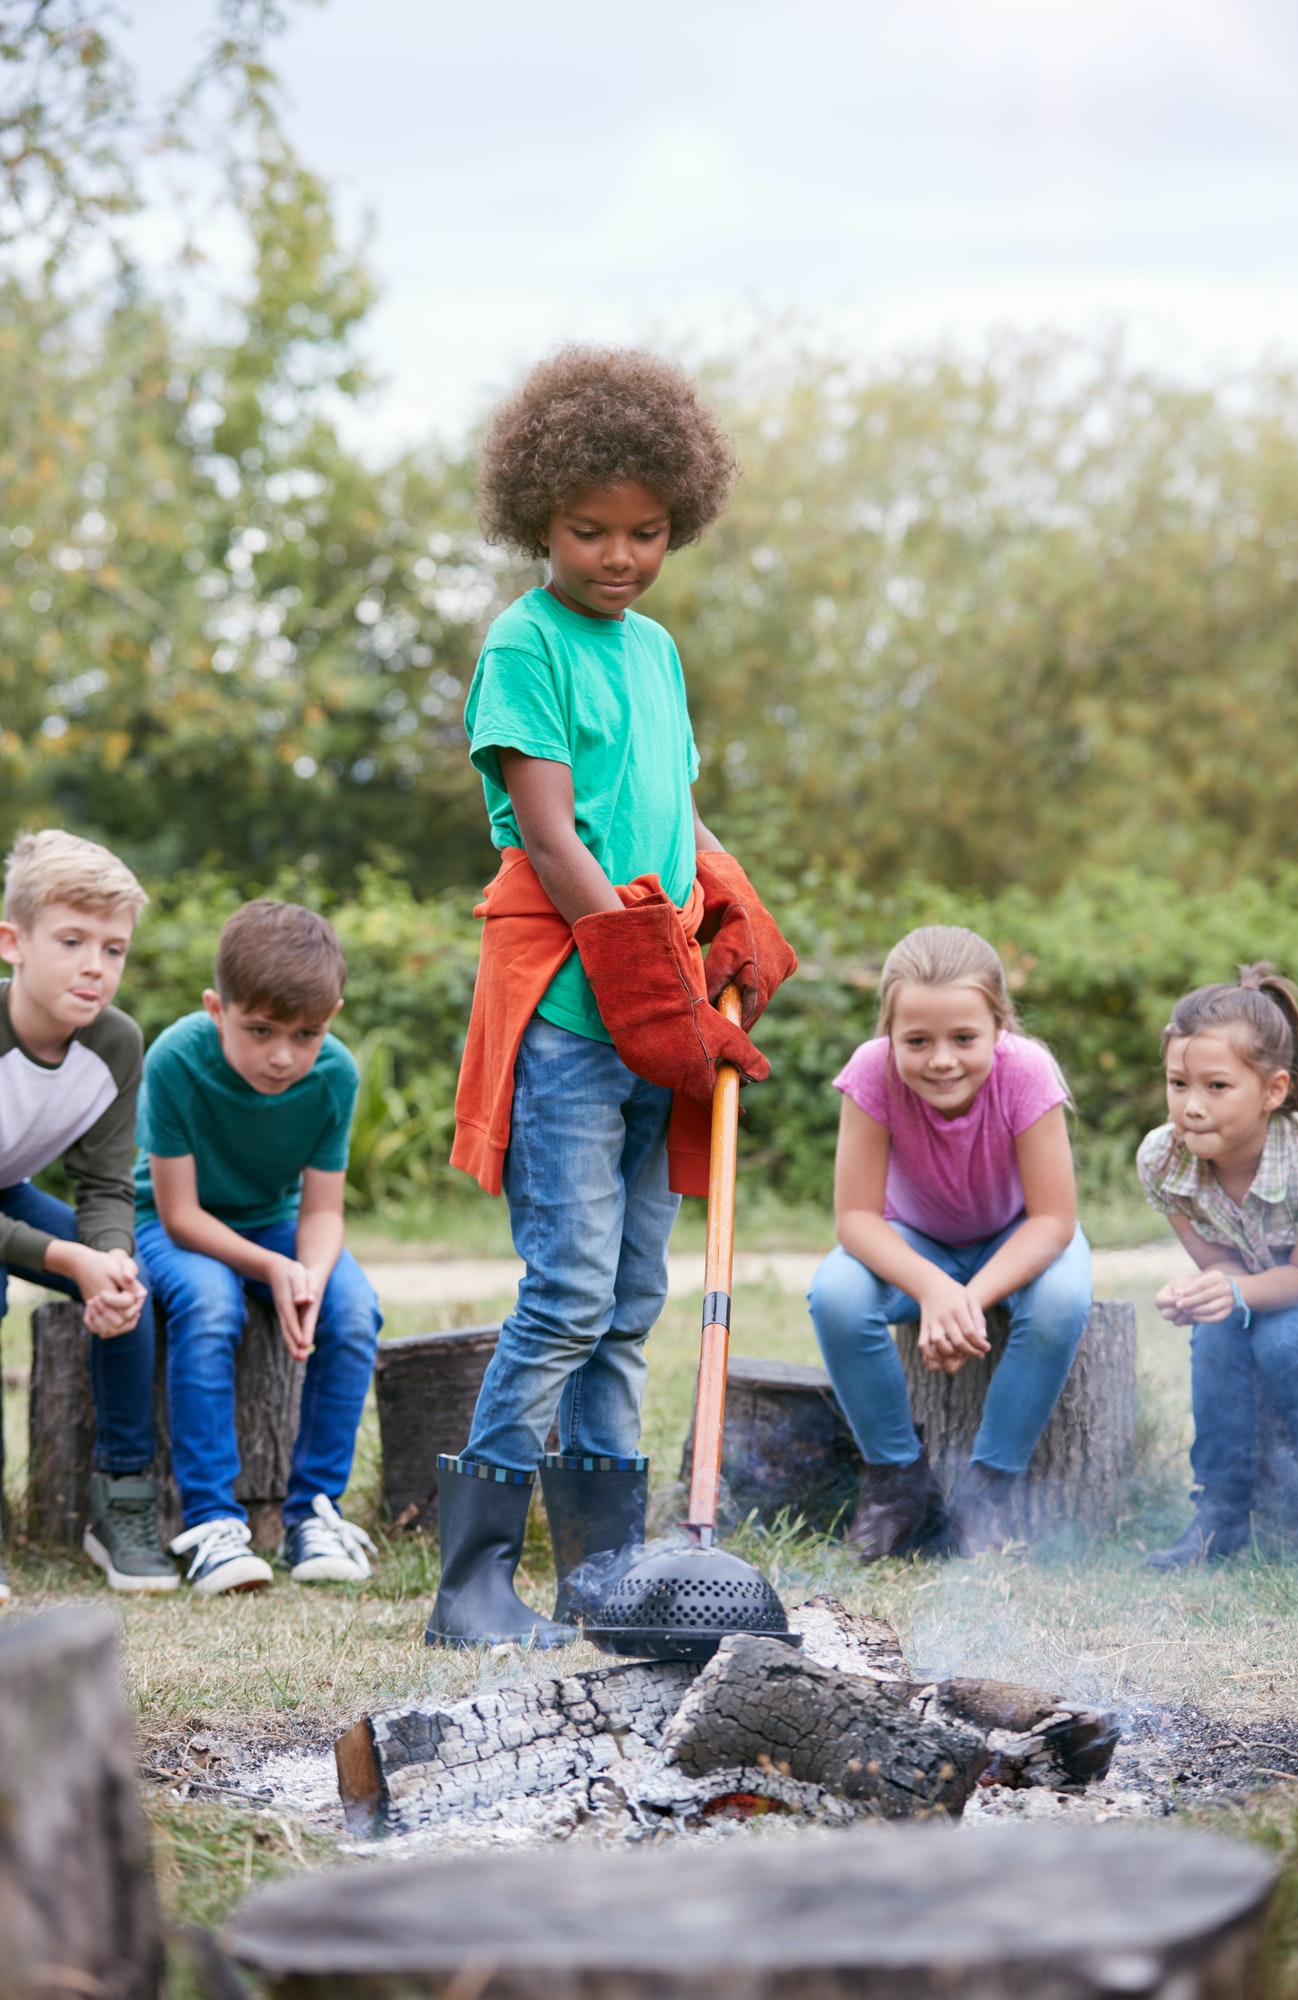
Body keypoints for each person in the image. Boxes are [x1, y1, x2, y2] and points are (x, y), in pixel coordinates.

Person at [428, 345, 797, 1648]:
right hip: (577, 1020)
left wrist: (725, 895)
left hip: (660, 1015)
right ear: (536, 514)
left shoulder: (655, 650)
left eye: (646, 532)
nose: (620, 556)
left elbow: (671, 805)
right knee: (568, 1292)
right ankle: (471, 1584)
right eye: (590, 531)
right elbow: (549, 834)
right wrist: (641, 977)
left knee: (633, 1301)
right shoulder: (524, 645)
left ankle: (607, 1578)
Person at [807, 925, 1091, 1558]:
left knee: (1061, 1301)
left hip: (1019, 1236)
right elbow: (855, 1217)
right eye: (917, 1041)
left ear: (999, 1027)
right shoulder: (871, 1074)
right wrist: (934, 1287)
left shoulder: (1028, 1073)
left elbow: (1052, 1221)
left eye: (964, 1038)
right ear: (889, 1034)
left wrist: (966, 1300)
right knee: (837, 1293)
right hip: (917, 1242)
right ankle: (900, 1487)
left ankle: (989, 1492)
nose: (941, 1060)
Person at [134, 900, 380, 1594]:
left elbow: (324, 1211)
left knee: (353, 1309)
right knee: (211, 1304)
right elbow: (179, 1214)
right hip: (169, 1223)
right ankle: (212, 1523)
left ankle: (314, 1514)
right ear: (217, 1008)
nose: (283, 1055)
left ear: (331, 1014)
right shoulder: (177, 1058)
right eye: (261, 1030)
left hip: (274, 1222)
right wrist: (273, 1267)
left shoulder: (334, 1074)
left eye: (306, 1034)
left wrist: (307, 1275)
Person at [0, 830, 177, 1599]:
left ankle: (122, 1502)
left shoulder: (114, 1044)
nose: (94, 967)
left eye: (113, 949)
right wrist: (64, 1256)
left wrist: (103, 1262)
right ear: (12, 942)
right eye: (71, 941)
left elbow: (105, 1186)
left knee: (125, 1284)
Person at [1138, 964, 1298, 1569]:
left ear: (1273, 1090)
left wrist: (1233, 1289)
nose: (1191, 1107)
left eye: (1216, 1087)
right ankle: (1220, 1513)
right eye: (1177, 1084)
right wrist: (1202, 1293)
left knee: (1289, 1342)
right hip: (1266, 1282)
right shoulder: (1164, 1159)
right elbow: (1219, 1263)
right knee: (1215, 1331)